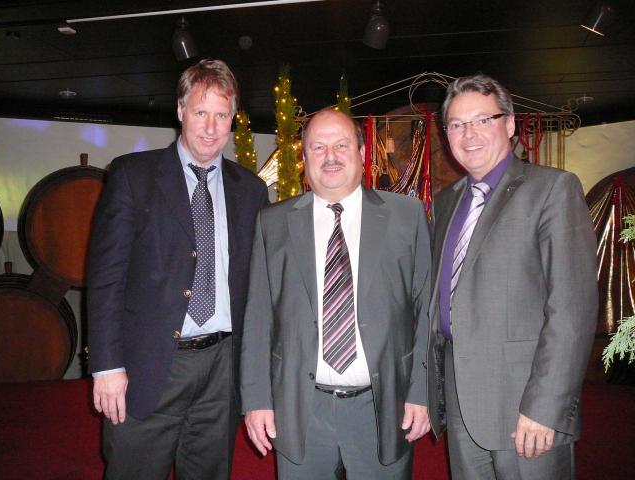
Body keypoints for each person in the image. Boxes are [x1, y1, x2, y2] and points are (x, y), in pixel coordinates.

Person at [87, 58, 268, 479]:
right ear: (181, 110)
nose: (211, 127)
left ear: (233, 118)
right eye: (201, 112)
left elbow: (259, 288)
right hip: (149, 363)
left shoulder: (251, 191)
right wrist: (107, 366)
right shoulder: (133, 176)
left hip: (223, 368)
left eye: (221, 115)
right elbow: (106, 278)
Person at [240, 109, 432, 479]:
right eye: (318, 147)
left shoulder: (406, 216)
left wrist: (421, 392)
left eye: (341, 145)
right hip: (301, 408)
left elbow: (425, 311)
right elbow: (258, 317)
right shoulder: (273, 222)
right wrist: (257, 399)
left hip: (382, 407)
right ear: (305, 157)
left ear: (361, 152)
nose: (330, 156)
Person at [427, 73, 598, 479]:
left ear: (509, 124)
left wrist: (545, 408)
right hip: (461, 399)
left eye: (482, 120)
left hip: (525, 405)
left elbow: (572, 310)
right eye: (456, 124)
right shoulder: (445, 202)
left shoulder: (552, 189)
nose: (469, 134)